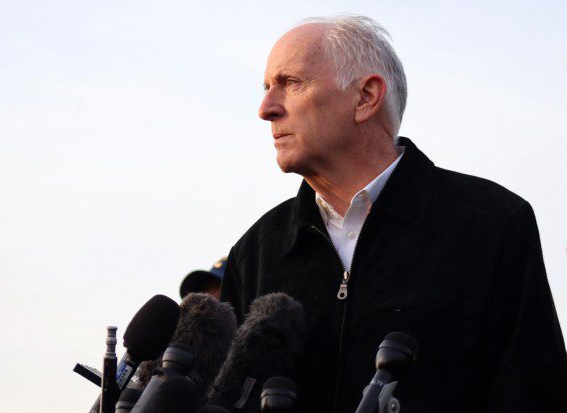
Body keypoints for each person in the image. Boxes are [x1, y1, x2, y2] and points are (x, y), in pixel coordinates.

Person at [220, 15, 567, 413]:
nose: (266, 109)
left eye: (291, 83)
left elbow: (535, 391)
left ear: (366, 96)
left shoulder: (493, 225)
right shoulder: (254, 254)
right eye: (266, 88)